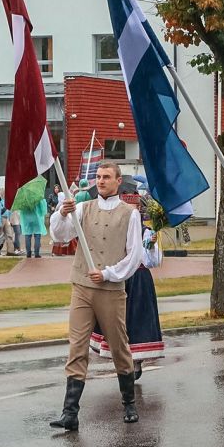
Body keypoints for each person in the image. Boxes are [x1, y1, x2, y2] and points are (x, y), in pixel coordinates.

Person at [47, 163, 146, 432]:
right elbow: (59, 235)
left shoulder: (130, 214)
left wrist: (109, 273)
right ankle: (70, 412)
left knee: (118, 346)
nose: (100, 181)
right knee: (76, 347)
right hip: (81, 286)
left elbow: (134, 255)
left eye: (106, 177)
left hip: (111, 290)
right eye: (98, 177)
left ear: (117, 181)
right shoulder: (82, 208)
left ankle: (128, 402)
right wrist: (62, 214)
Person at [90, 190, 164, 379]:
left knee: (137, 319)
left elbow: (152, 261)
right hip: (119, 278)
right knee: (116, 319)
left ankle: (136, 360)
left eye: (136, 209)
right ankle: (122, 358)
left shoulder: (147, 232)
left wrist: (151, 245)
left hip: (139, 281)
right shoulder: (115, 230)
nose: (132, 213)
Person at [19, 190, 48, 259]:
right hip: (36, 218)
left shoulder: (24, 197)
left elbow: (20, 208)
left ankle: (28, 253)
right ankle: (36, 253)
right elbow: (43, 208)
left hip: (26, 219)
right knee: (37, 235)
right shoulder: (38, 196)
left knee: (28, 235)